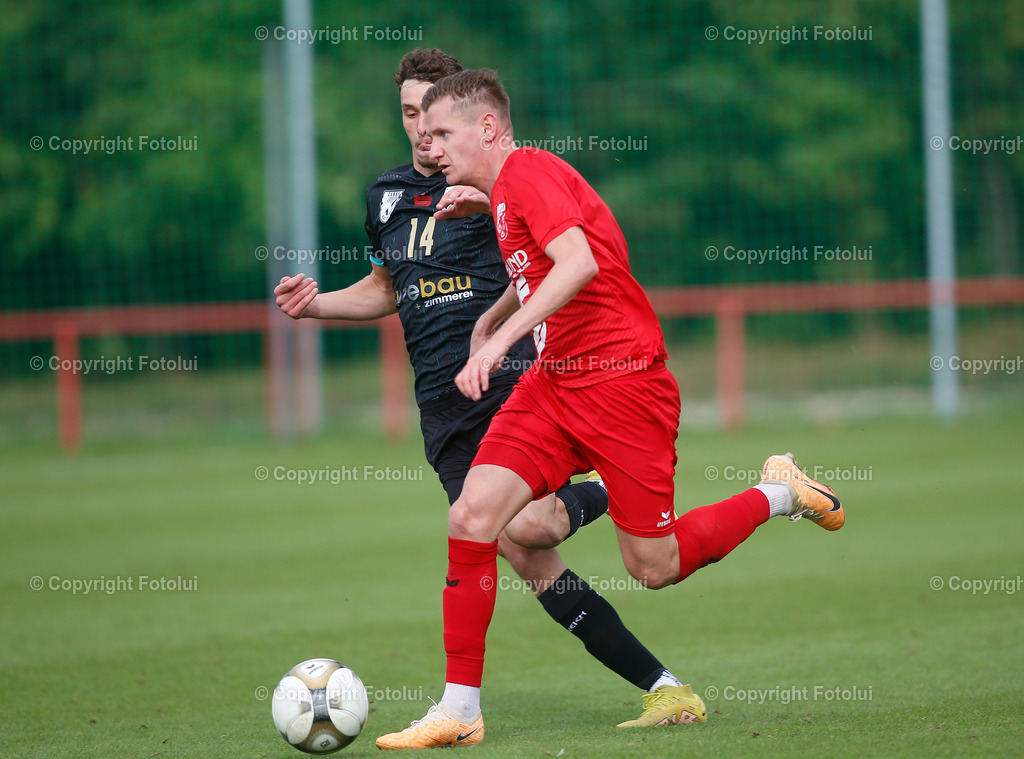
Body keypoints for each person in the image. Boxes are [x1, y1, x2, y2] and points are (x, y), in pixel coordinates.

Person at [374, 68, 845, 750]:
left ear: (488, 127)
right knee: (472, 515)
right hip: (555, 383)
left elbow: (578, 264)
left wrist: (496, 337)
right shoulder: (500, 192)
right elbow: (539, 268)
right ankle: (460, 708)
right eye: (423, 129)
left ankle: (780, 492)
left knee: (655, 566)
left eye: (442, 130)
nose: (429, 141)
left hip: (625, 388)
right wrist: (496, 316)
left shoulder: (528, 172)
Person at [273, 49, 699, 747]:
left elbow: (560, 252)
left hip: (514, 383)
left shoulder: (489, 180)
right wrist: (316, 305)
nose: (421, 133)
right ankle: (664, 686)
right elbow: (387, 289)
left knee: (525, 527)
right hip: (442, 404)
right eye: (409, 115)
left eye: (431, 119)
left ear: (464, 121)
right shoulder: (385, 196)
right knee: (525, 550)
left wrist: (498, 335)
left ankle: (466, 700)